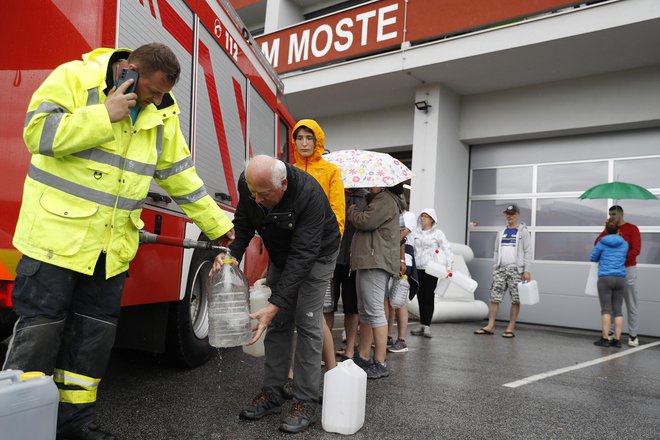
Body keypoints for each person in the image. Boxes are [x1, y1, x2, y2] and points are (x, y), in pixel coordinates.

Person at [3, 44, 235, 440]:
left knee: (91, 341)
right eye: (153, 91)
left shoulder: (161, 113)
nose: (158, 100)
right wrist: (101, 116)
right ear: (127, 70)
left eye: (164, 94)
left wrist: (218, 226)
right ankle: (18, 424)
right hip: (54, 242)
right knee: (38, 336)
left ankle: (74, 424)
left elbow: (179, 174)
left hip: (109, 251)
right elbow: (36, 134)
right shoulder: (74, 78)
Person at [217, 155, 340, 434]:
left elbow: (303, 256)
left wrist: (276, 304)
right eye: (252, 193)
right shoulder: (251, 185)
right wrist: (231, 257)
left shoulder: (308, 193)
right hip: (283, 253)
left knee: (307, 322)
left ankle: (305, 400)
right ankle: (272, 393)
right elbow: (244, 223)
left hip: (318, 254)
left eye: (263, 194)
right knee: (277, 322)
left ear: (283, 184)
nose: (256, 199)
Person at [291, 119, 345, 372]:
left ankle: (332, 368)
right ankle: (291, 370)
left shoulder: (331, 171)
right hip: (291, 252)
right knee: (290, 311)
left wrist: (328, 255)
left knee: (312, 313)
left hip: (319, 252)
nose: (303, 143)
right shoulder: (288, 170)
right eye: (299, 137)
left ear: (318, 141)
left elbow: (338, 217)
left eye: (308, 138)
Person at [348, 184, 402, 379]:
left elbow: (365, 221)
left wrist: (353, 209)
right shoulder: (381, 199)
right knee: (366, 312)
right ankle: (363, 356)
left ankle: (380, 361)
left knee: (374, 312)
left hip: (375, 261)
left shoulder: (385, 200)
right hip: (369, 260)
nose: (369, 185)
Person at [474, 204, 531, 338]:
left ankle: (510, 328)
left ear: (517, 215)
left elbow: (528, 251)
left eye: (512, 214)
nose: (509, 216)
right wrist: (495, 266)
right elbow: (495, 250)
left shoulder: (523, 232)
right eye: (507, 214)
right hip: (501, 269)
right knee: (494, 297)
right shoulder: (501, 232)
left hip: (516, 270)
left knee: (515, 300)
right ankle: (490, 326)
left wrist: (526, 270)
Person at [594, 205, 642, 346]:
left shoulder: (632, 229)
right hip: (613, 272)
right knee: (613, 303)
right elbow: (597, 243)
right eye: (609, 213)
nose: (611, 216)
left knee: (631, 302)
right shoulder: (608, 230)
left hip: (627, 269)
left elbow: (636, 249)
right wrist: (608, 232)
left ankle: (633, 335)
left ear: (621, 214)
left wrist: (620, 258)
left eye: (614, 214)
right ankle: (611, 334)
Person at [333, 188, 368, 361]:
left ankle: (349, 349)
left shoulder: (366, 199)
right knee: (327, 306)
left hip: (354, 261)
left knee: (352, 307)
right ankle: (324, 350)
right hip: (332, 258)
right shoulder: (334, 190)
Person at [410, 208, 453, 339]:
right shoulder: (415, 232)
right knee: (420, 296)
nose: (422, 218)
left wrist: (449, 266)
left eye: (426, 216)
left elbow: (447, 249)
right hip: (417, 268)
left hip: (431, 269)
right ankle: (422, 324)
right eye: (422, 216)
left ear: (432, 219)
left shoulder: (438, 233)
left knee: (428, 296)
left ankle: (427, 325)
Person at [387, 195, 418, 353]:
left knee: (399, 300)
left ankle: (401, 340)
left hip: (405, 258)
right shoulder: (393, 214)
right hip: (391, 256)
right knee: (390, 300)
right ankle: (387, 336)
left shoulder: (408, 215)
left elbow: (403, 233)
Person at [590, 220, 628, 348]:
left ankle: (605, 339)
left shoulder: (602, 242)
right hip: (620, 278)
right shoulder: (625, 243)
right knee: (618, 310)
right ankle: (617, 340)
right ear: (618, 230)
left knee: (606, 309)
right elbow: (625, 256)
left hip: (606, 277)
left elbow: (593, 257)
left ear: (606, 230)